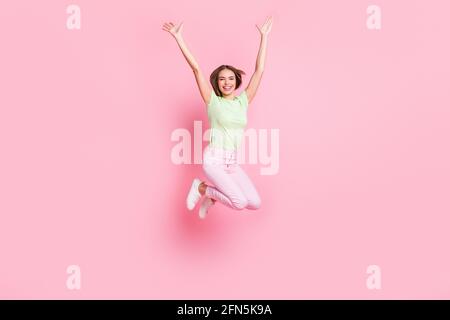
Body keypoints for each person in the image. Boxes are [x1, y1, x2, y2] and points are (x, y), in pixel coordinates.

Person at [162, 16, 273, 219]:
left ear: (237, 81)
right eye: (222, 79)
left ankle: (210, 196)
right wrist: (179, 38)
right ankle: (202, 188)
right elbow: (196, 69)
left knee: (254, 203)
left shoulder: (243, 101)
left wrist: (264, 37)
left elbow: (260, 70)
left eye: (231, 78)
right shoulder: (213, 101)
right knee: (239, 203)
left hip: (232, 163)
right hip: (214, 160)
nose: (227, 82)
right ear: (217, 83)